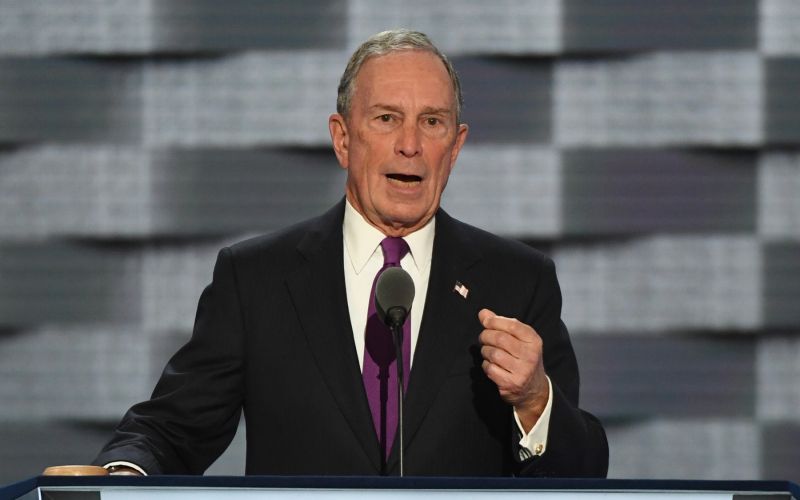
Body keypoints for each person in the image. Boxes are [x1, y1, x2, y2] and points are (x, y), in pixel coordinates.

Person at [93, 29, 608, 477]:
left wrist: (536, 401)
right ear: (342, 139)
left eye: (432, 122)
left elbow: (582, 472)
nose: (410, 144)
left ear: (455, 147)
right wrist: (121, 476)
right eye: (386, 118)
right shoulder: (255, 279)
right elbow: (172, 429)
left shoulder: (518, 281)